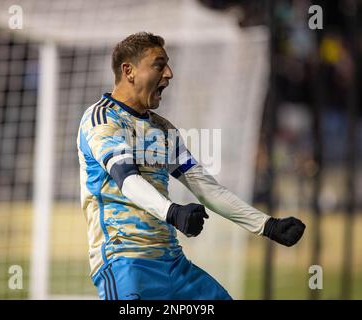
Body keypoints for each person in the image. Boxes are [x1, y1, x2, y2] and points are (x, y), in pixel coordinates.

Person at [77, 32, 306, 300]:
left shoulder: (161, 129)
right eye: (159, 64)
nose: (169, 73)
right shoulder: (101, 119)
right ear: (129, 71)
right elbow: (128, 180)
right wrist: (173, 211)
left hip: (173, 265)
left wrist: (267, 225)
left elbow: (204, 187)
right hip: (125, 263)